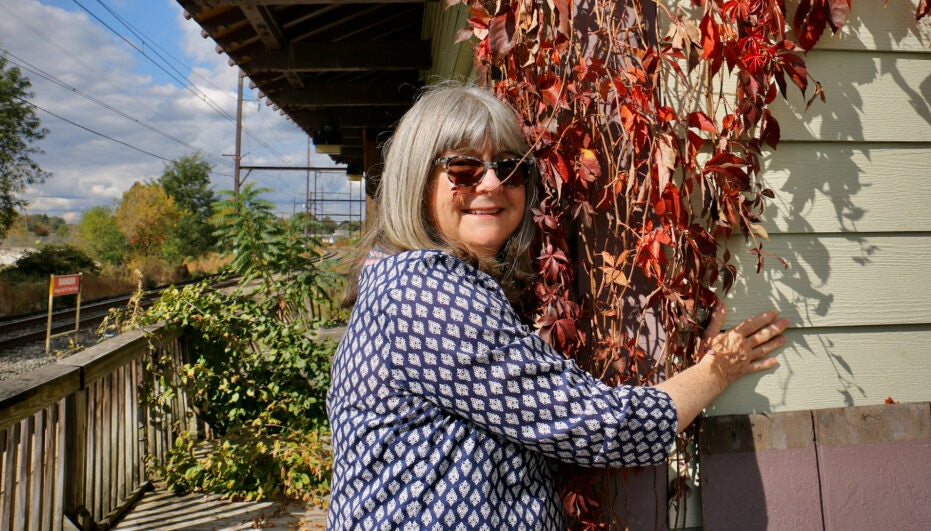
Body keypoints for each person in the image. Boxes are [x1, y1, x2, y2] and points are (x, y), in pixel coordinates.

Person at [326, 83, 790, 530]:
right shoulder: (425, 294)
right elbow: (596, 426)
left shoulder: (411, 281)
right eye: (464, 169)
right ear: (417, 181)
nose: (490, 184)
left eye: (509, 168)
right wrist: (718, 371)